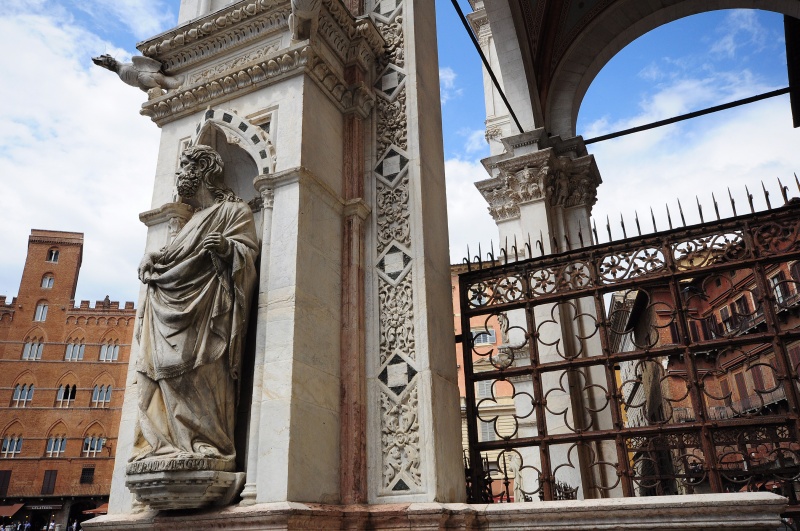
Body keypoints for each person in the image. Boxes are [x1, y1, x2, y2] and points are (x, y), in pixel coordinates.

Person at [130, 145, 259, 468]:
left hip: (209, 314)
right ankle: (166, 444)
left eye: (186, 169)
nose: (179, 176)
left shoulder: (234, 211)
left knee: (202, 372)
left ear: (204, 172)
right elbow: (173, 255)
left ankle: (209, 443)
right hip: (168, 313)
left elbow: (248, 252)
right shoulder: (190, 221)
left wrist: (229, 248)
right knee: (163, 376)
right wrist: (153, 257)